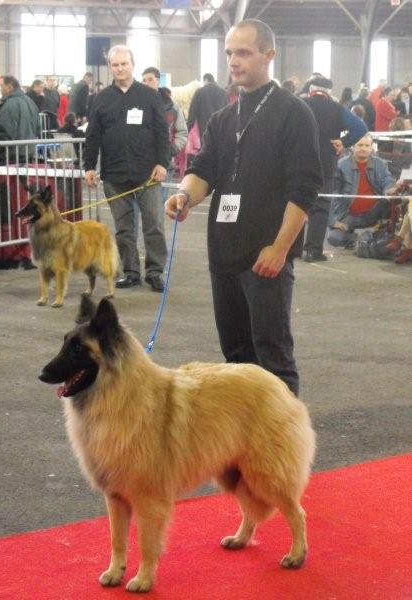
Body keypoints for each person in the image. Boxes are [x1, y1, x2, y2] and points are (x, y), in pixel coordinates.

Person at [165, 19, 322, 395]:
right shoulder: (222, 117)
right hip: (224, 256)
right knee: (236, 360)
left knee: (273, 361)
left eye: (244, 53)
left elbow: (305, 188)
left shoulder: (294, 113)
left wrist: (280, 247)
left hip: (265, 258)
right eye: (229, 53)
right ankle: (245, 445)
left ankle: (284, 447)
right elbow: (202, 171)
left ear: (269, 55)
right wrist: (185, 196)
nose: (233, 62)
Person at [84, 45, 170, 292]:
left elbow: (162, 133)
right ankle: (131, 271)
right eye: (115, 64)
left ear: (133, 65)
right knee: (123, 228)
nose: (120, 68)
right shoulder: (100, 99)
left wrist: (162, 163)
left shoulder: (151, 96)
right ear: (110, 67)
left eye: (124, 64)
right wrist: (89, 166)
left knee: (154, 224)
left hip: (148, 174)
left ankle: (154, 272)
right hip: (114, 174)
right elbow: (93, 136)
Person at [302, 76, 367, 262]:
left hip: (298, 161)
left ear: (311, 89)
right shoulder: (337, 108)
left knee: (296, 203)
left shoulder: (299, 104)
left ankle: (293, 249)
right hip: (325, 162)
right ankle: (313, 251)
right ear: (329, 92)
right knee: (321, 206)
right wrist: (343, 142)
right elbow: (360, 127)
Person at [328, 134, 401, 248]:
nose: (363, 148)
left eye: (367, 145)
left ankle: (372, 236)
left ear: (372, 147)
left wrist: (389, 190)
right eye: (360, 145)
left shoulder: (380, 164)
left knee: (393, 204)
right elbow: (331, 194)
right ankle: (360, 239)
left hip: (375, 212)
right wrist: (333, 221)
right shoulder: (341, 165)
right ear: (353, 147)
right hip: (349, 215)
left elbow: (387, 180)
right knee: (333, 238)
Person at [142, 66, 187, 185]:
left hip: (164, 164)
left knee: (158, 203)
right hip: (140, 163)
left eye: (150, 79)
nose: (146, 83)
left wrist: (170, 150)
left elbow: (182, 132)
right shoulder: (136, 105)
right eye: (144, 80)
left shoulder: (172, 106)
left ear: (158, 80)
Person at [0, 75, 40, 164]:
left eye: (1, 86)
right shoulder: (30, 102)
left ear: (9, 87)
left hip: (10, 157)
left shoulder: (9, 105)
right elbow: (38, 128)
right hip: (27, 153)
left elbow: (5, 132)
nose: (0, 89)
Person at [187, 72, 228, 138]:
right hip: (220, 129)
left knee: (205, 146)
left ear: (205, 80)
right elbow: (227, 112)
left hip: (204, 129)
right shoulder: (223, 93)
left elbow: (192, 112)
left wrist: (188, 128)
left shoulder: (199, 92)